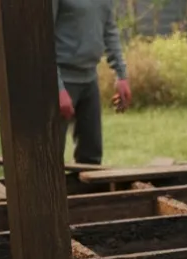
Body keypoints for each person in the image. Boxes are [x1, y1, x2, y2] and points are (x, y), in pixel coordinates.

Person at [54, 0, 132, 166]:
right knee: (50, 158)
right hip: (62, 79)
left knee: (91, 156)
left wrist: (121, 75)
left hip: (89, 79)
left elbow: (109, 30)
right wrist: (57, 88)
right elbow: (42, 39)